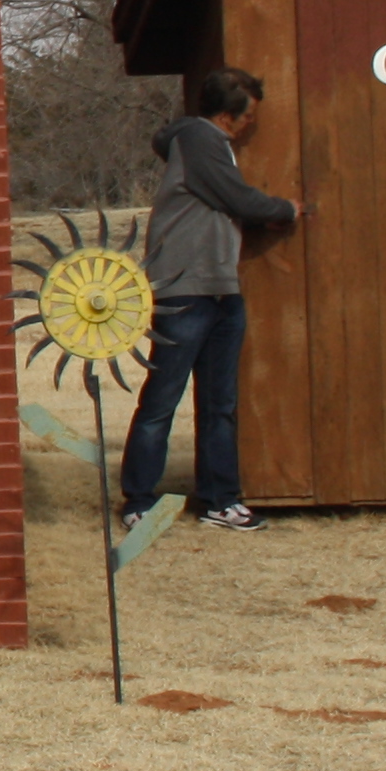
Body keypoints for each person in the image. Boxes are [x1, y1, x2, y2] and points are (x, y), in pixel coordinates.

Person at [119, 66, 302, 530]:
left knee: (220, 401)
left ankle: (219, 500)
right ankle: (138, 500)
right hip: (185, 291)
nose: (250, 125)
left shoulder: (211, 143)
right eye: (248, 116)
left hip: (221, 288)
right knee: (163, 398)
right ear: (227, 114)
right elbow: (237, 198)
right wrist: (285, 210)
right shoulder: (201, 139)